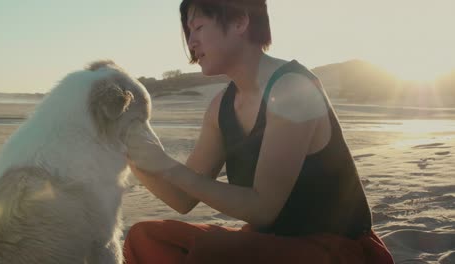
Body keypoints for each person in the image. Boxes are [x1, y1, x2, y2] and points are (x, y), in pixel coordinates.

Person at [123, 0, 394, 263]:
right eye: (189, 31)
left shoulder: (292, 88)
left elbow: (263, 209)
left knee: (210, 253)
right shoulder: (220, 107)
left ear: (240, 20)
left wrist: (168, 167)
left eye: (199, 27)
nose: (191, 41)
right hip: (273, 245)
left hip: (336, 248)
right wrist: (130, 153)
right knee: (144, 238)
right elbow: (183, 198)